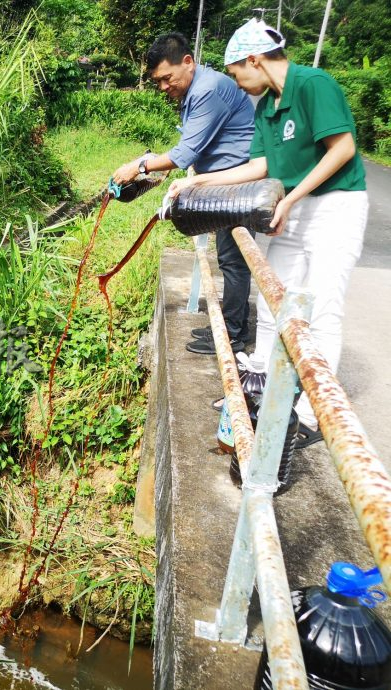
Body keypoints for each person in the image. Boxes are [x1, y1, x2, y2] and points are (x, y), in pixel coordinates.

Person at [168, 19, 369, 448]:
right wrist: (195, 182)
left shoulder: (313, 84)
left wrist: (292, 200)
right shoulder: (266, 106)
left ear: (254, 60)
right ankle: (259, 385)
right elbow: (259, 167)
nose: (238, 83)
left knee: (323, 308)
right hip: (291, 206)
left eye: (237, 73)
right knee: (274, 296)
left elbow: (343, 148)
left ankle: (312, 415)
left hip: (335, 208)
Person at [112, 33, 256, 355]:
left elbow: (184, 153)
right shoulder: (195, 90)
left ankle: (233, 336)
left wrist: (138, 166)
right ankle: (232, 328)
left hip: (237, 184)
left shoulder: (208, 90)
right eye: (157, 82)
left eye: (167, 78)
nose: (163, 87)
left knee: (233, 260)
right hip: (220, 183)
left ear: (188, 62)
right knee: (228, 257)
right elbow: (194, 147)